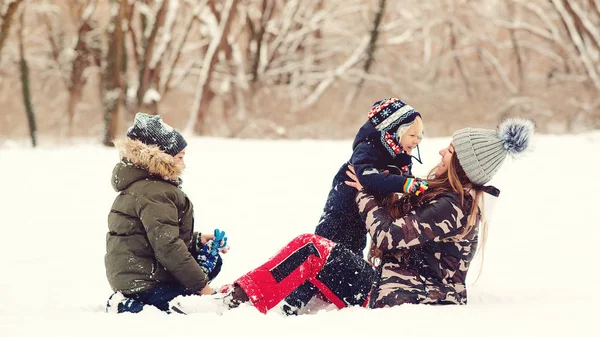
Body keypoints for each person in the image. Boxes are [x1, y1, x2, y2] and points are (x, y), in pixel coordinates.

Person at [200, 117, 534, 314]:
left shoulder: (453, 207)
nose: (440, 151)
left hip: (403, 296)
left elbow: (388, 234)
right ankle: (244, 297)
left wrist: (364, 192)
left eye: (450, 150)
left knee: (312, 248)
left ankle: (236, 302)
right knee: (322, 249)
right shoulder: (446, 196)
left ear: (462, 163)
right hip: (393, 286)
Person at [281, 98, 428, 314]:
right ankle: (295, 299)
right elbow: (366, 177)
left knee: (352, 252)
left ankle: (341, 292)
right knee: (323, 253)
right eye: (413, 135)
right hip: (341, 211)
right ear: (394, 130)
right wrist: (405, 183)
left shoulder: (400, 155)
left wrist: (410, 183)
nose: (417, 140)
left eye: (420, 136)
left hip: (360, 216)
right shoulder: (368, 148)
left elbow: (400, 178)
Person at [104, 113, 228, 314]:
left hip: (137, 275)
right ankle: (127, 306)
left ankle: (149, 296)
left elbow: (152, 235)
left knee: (213, 264)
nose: (184, 164)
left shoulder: (145, 188)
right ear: (160, 159)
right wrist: (204, 289)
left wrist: (197, 240)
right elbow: (168, 247)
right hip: (145, 283)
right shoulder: (155, 192)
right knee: (189, 308)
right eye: (180, 157)